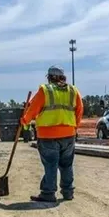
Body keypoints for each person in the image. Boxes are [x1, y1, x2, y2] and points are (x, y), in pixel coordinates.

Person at [21, 66, 83, 202]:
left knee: (50, 165)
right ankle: (68, 192)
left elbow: (33, 110)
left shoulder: (45, 90)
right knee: (67, 164)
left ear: (49, 78)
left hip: (48, 136)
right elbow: (79, 111)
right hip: (68, 134)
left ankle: (48, 193)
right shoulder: (73, 91)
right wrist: (74, 128)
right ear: (63, 77)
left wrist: (24, 120)